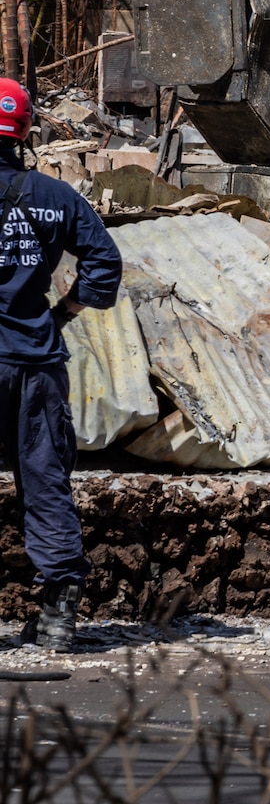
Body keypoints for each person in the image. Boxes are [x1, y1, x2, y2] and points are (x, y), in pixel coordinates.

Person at [0, 77, 121, 651]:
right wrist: (61, 312)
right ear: (24, 132)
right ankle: (58, 610)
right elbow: (105, 263)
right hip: (37, 361)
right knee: (45, 478)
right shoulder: (56, 197)